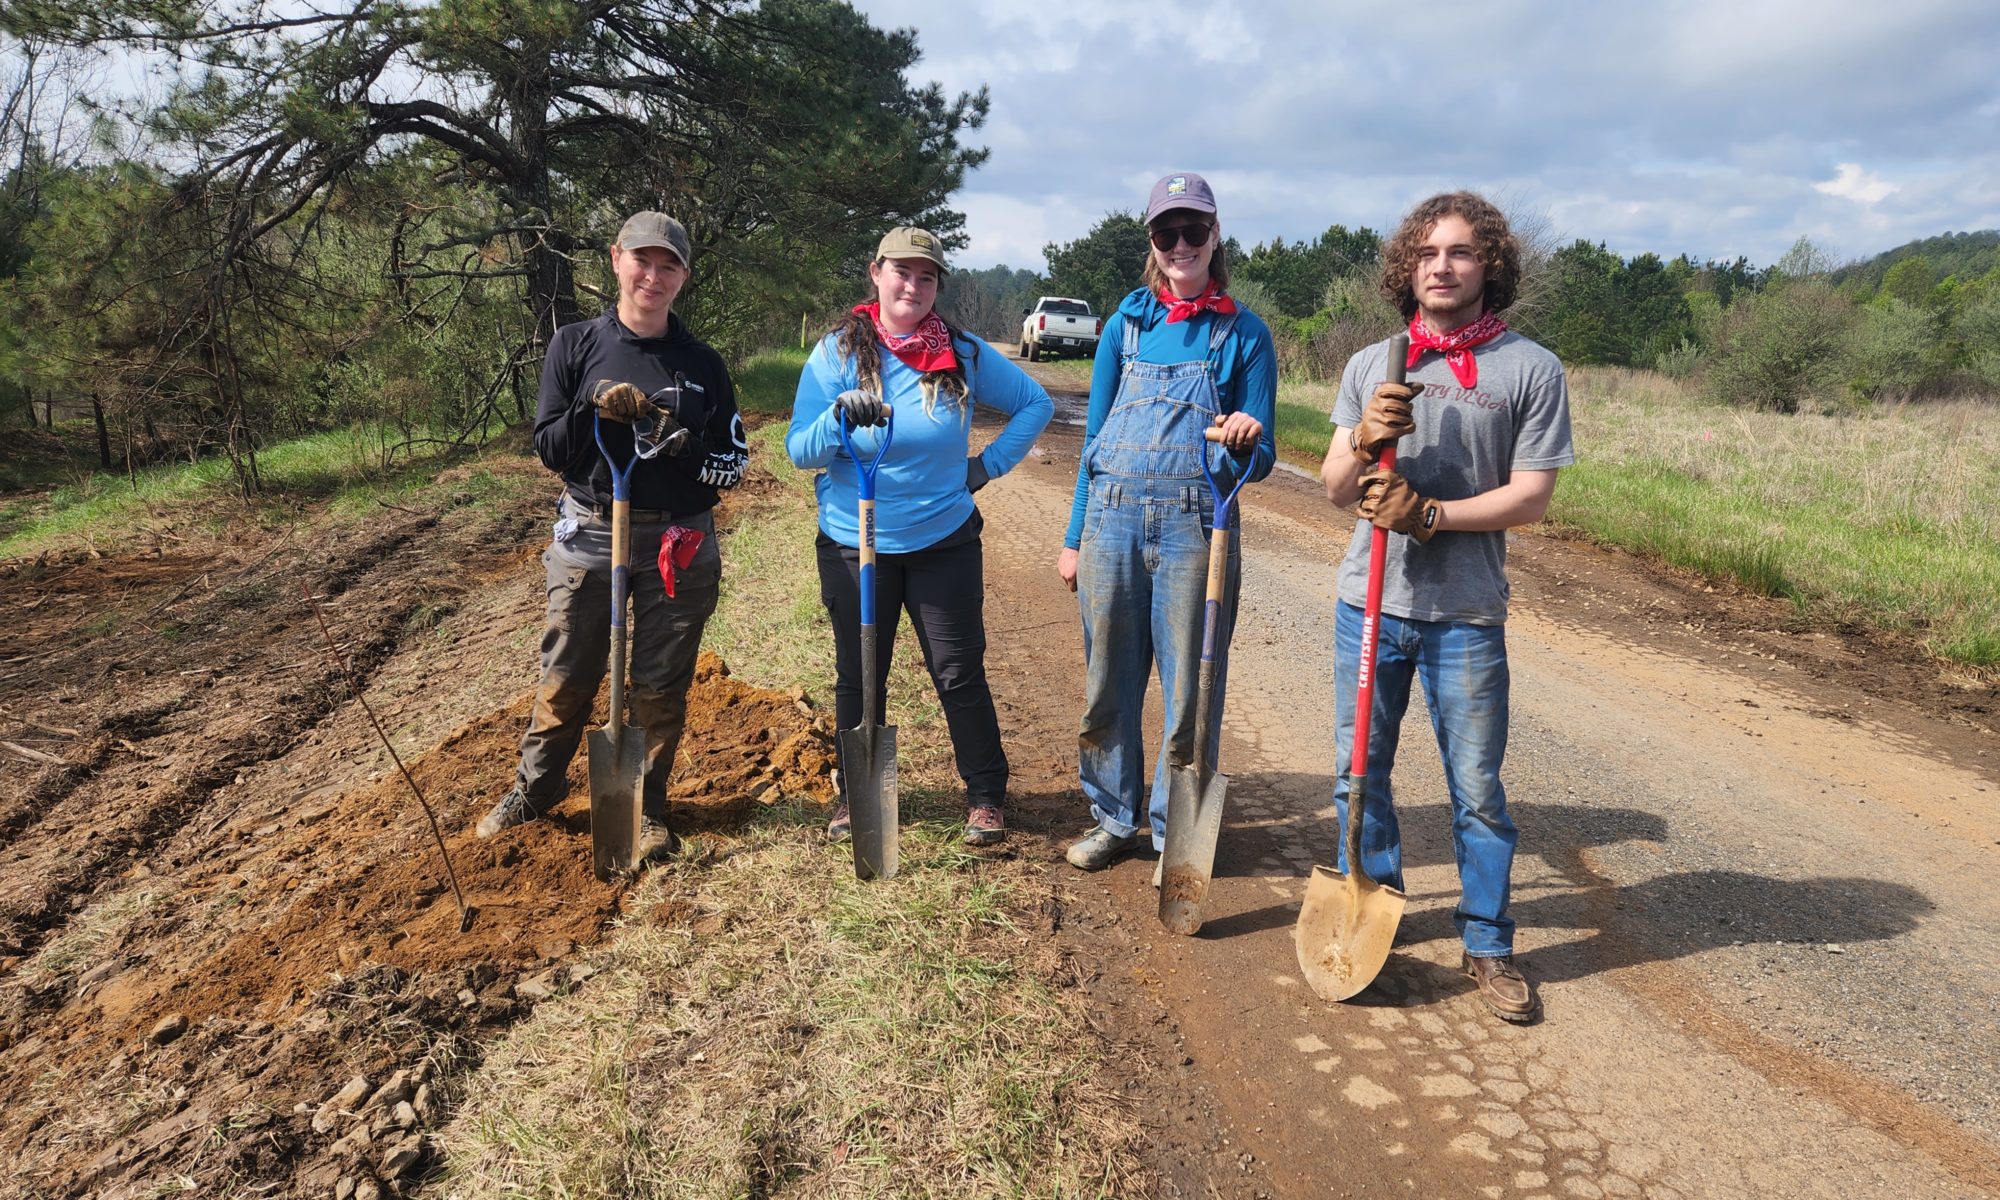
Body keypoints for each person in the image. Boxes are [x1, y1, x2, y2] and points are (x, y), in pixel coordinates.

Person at [1320, 191, 1575, 1021]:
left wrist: (1430, 516)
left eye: (1461, 252)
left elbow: (1531, 497)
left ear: (1487, 266)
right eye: (1428, 252)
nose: (1442, 265)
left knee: (1477, 788)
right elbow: (1332, 491)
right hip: (1371, 604)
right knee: (1361, 776)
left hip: (1466, 614)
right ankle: (1377, 913)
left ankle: (1489, 943)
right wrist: (1362, 440)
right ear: (1408, 265)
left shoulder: (1530, 370)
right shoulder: (1375, 363)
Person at [475, 211, 749, 862]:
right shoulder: (574, 346)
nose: (653, 276)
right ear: (616, 259)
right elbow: (550, 448)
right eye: (642, 260)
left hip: (677, 542)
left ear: (684, 275)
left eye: (669, 266)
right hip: (592, 532)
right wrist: (589, 403)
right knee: (567, 674)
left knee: (659, 686)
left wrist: (677, 440)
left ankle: (643, 809)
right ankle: (534, 792)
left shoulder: (701, 365)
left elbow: (731, 464)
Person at [788, 227, 1053, 847]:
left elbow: (1035, 404)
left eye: (926, 276)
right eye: (901, 272)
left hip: (942, 540)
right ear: (875, 273)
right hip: (856, 542)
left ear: (937, 286)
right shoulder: (836, 354)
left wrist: (983, 469)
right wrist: (835, 419)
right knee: (860, 673)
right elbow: (801, 451)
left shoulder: (959, 352)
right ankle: (856, 796)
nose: (912, 285)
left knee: (958, 670)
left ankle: (986, 793)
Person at [1058, 172, 1278, 873]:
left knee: (1192, 691)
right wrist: (1074, 538)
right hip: (1111, 527)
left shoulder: (1243, 335)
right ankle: (1114, 816)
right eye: (1166, 232)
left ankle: (1172, 829)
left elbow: (1264, 455)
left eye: (1194, 230)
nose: (1181, 244)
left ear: (1216, 235)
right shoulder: (1124, 328)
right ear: (1152, 242)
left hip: (1197, 528)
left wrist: (1248, 436)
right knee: (1106, 686)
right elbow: (1093, 442)